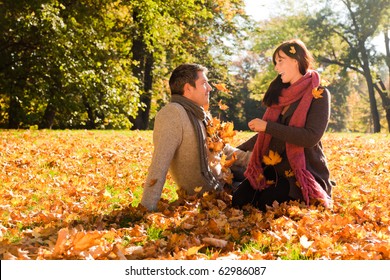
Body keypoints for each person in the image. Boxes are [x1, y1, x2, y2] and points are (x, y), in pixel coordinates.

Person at [231, 39, 334, 211]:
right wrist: (235, 151)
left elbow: (310, 137)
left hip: (300, 171)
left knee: (265, 204)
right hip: (273, 168)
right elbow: (265, 135)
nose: (276, 68)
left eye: (280, 61)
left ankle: (313, 189)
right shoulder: (280, 95)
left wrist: (268, 127)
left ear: (296, 60)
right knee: (239, 201)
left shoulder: (319, 94)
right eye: (275, 62)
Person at [140, 63, 225, 211]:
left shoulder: (199, 114)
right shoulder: (173, 114)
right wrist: (147, 208)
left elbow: (223, 150)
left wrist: (250, 159)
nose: (210, 88)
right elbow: (160, 163)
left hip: (223, 179)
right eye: (204, 83)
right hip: (210, 192)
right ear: (188, 88)